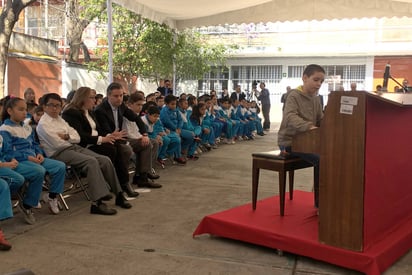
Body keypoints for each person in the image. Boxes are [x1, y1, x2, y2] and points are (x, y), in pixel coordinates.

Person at [37, 93, 131, 214]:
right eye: (51, 105)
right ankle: (97, 203)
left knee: (104, 160)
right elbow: (57, 144)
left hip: (73, 147)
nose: (55, 108)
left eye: (58, 105)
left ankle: (119, 194)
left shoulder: (60, 120)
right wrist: (69, 137)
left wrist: (66, 136)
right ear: (44, 107)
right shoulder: (43, 124)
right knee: (91, 162)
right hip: (58, 153)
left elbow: (76, 137)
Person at [62, 86, 139, 198]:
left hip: (95, 141)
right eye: (92, 98)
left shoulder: (90, 111)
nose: (94, 100)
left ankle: (122, 183)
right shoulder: (71, 113)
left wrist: (109, 135)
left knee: (119, 147)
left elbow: (98, 130)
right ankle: (116, 184)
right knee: (112, 149)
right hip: (83, 145)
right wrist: (102, 139)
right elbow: (80, 136)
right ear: (82, 98)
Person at [0, 97, 66, 218]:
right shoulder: (5, 129)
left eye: (25, 109)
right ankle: (28, 203)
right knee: (38, 171)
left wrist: (39, 153)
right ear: (9, 111)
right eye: (20, 109)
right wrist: (28, 157)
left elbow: (35, 144)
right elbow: (8, 152)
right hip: (20, 160)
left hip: (34, 158)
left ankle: (52, 196)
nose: (25, 112)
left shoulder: (27, 127)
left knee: (60, 166)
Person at [277, 64, 325, 210]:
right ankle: (319, 204)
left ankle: (328, 196)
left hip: (308, 140)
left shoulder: (316, 99)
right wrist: (309, 126)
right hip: (290, 141)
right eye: (316, 80)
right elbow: (290, 116)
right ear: (304, 78)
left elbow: (320, 119)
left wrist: (331, 123)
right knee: (320, 159)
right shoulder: (293, 96)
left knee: (333, 155)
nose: (318, 84)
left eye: (321, 81)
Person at [123, 93, 162, 188]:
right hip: (127, 139)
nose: (140, 107)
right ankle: (143, 177)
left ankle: (143, 172)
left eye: (141, 105)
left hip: (135, 137)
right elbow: (128, 132)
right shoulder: (126, 114)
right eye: (138, 105)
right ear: (130, 104)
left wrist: (142, 136)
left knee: (154, 142)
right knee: (147, 144)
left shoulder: (137, 114)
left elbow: (137, 131)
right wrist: (141, 137)